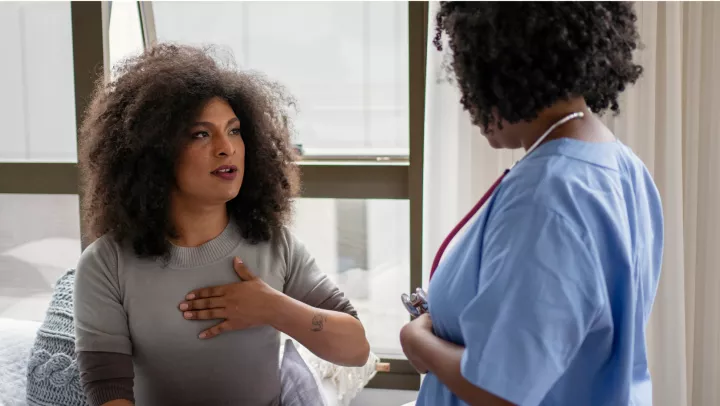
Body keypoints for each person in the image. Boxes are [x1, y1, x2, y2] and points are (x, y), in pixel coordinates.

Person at [73, 44, 370, 406]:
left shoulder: (275, 245)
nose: (226, 148)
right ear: (153, 152)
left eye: (234, 130)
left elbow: (356, 348)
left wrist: (272, 308)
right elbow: (109, 392)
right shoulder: (106, 264)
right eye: (201, 134)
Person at [399, 2, 662, 406]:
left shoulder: (549, 195)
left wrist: (419, 343)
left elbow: (499, 391)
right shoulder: (618, 165)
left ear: (500, 66)